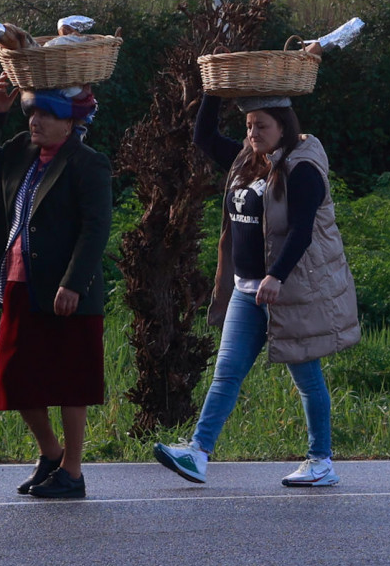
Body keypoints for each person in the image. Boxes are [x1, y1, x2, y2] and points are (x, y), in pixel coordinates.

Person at [153, 92, 360, 488]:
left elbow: (301, 231)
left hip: (289, 291)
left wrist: (277, 275)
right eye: (248, 126)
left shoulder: (303, 169)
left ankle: (321, 462)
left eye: (261, 126)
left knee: (307, 377)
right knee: (226, 374)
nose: (252, 133)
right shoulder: (246, 162)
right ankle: (197, 453)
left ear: (284, 126)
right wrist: (213, 90)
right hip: (246, 291)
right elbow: (203, 137)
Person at [0, 75, 112, 499]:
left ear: (70, 123)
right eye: (33, 112)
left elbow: (95, 228)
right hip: (18, 281)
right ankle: (51, 453)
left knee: (70, 379)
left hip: (66, 290)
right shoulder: (18, 152)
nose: (36, 121)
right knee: (15, 378)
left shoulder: (87, 162)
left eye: (47, 114)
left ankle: (74, 471)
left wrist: (73, 283)